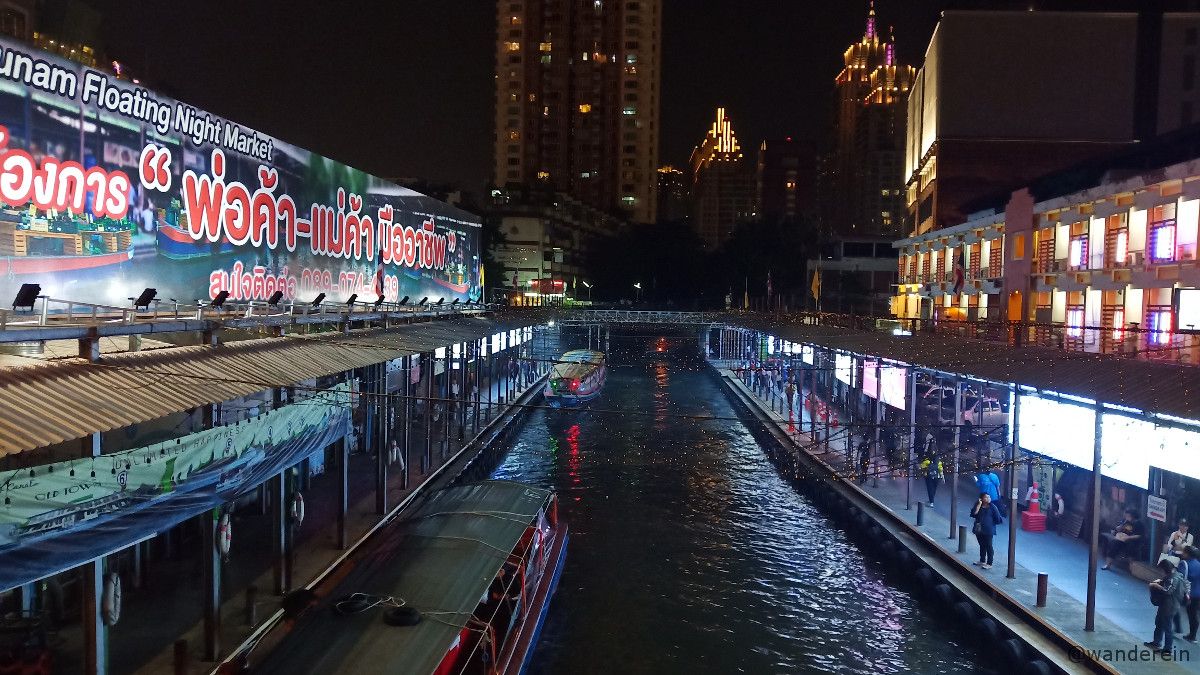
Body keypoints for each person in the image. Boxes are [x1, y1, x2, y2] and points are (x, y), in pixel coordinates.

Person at [1147, 558, 1187, 654]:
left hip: (1169, 606)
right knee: (1159, 624)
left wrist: (1156, 585)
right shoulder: (1176, 576)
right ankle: (1156, 642)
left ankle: (1167, 649)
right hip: (1167, 605)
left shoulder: (1173, 578)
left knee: (1167, 627)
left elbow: (1168, 591)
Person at [970, 492, 1005, 569]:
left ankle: (989, 563)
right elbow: (973, 514)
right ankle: (982, 560)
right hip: (979, 528)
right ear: (981, 499)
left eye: (989, 497)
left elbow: (998, 519)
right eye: (986, 497)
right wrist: (979, 504)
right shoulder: (978, 505)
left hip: (989, 529)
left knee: (988, 545)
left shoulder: (993, 507)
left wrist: (990, 523)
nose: (988, 499)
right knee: (982, 544)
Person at [1182, 546, 1200, 641]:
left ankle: (1191, 635)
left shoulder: (1184, 564)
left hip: (1189, 593)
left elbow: (1181, 578)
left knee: (1190, 613)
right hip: (1198, 593)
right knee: (1194, 614)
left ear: (1187, 554)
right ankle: (1193, 634)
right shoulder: (1198, 564)